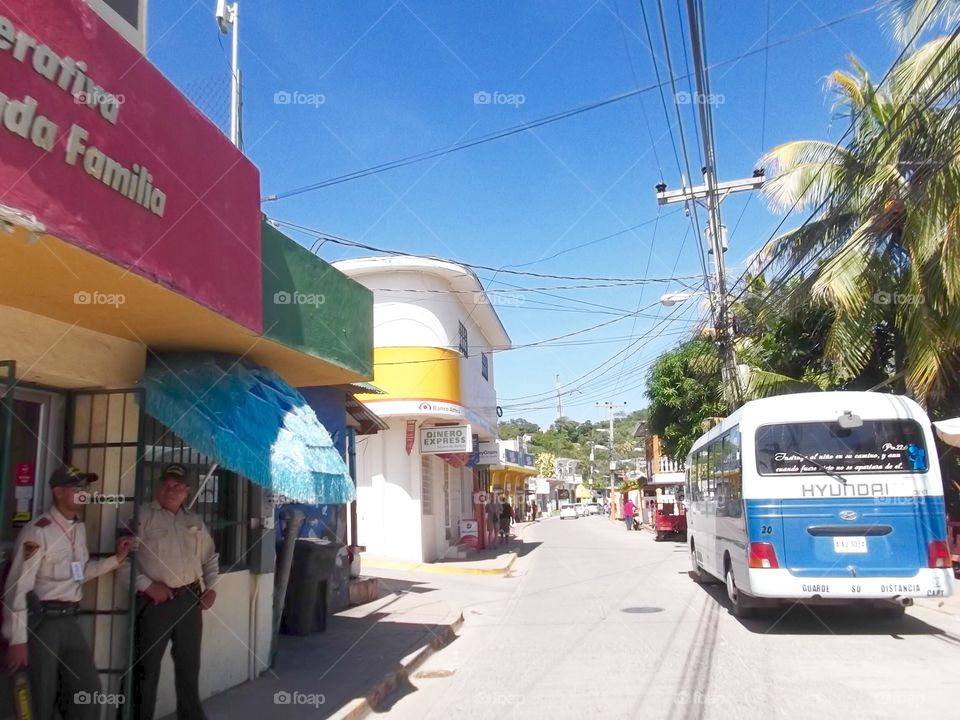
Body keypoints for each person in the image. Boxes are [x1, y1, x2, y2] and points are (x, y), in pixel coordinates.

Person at [2, 465, 131, 720]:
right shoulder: (38, 531)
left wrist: (115, 560)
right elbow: (18, 586)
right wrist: (17, 638)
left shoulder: (77, 528)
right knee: (40, 695)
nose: (84, 493)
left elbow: (79, 573)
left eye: (86, 488)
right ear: (58, 491)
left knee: (88, 689)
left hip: (70, 619)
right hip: (43, 623)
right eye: (77, 488)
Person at [128, 464, 219, 720]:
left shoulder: (194, 520)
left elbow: (210, 557)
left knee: (189, 669)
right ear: (159, 486)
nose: (172, 490)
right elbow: (124, 561)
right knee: (146, 671)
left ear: (187, 490)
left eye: (178, 486)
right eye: (167, 484)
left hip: (189, 600)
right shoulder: (142, 516)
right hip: (155, 604)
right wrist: (147, 585)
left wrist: (211, 588)